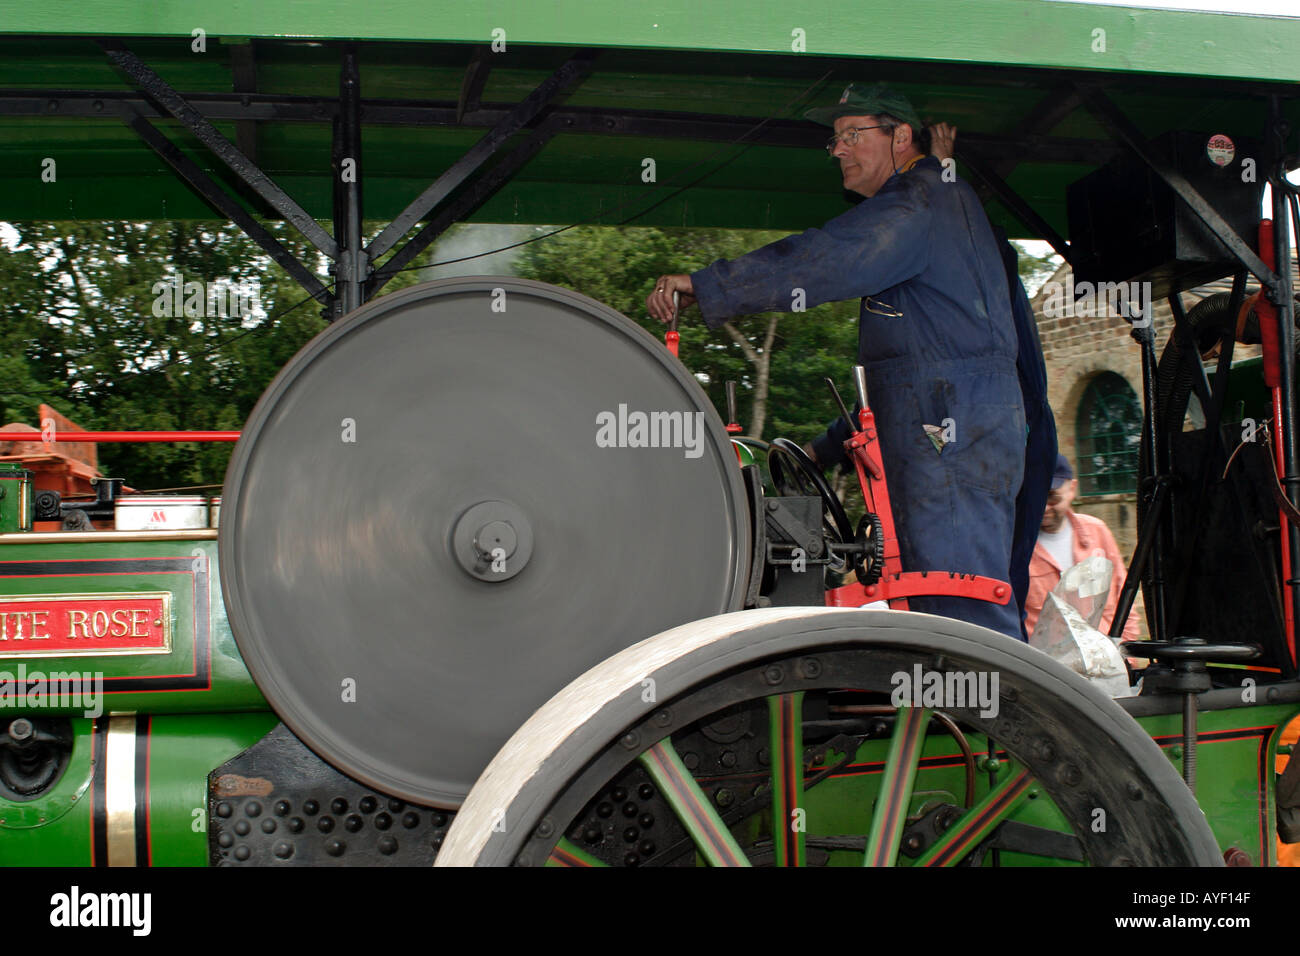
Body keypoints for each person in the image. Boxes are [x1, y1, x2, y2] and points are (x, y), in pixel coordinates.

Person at [647, 82, 1029, 640]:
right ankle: (952, 709)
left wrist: (707, 285)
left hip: (953, 428)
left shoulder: (919, 200)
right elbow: (911, 372)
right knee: (937, 598)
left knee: (958, 598)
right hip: (951, 416)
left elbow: (825, 258)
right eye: (834, 141)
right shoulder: (936, 201)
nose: (839, 151)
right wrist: (822, 450)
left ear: (901, 137)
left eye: (852, 135)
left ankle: (979, 714)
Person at [1025, 454, 1141, 641]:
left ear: (1072, 489)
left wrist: (1127, 655)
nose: (1044, 507)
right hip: (1045, 665)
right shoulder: (1016, 545)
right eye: (1036, 498)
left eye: (1052, 497)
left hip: (1105, 661)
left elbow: (1124, 598)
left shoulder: (1097, 532)